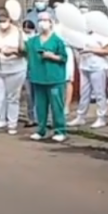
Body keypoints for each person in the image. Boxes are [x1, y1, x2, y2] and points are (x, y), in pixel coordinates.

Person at [24, 12, 69, 142]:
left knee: (56, 106)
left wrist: (52, 56)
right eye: (40, 20)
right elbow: (22, 49)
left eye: (45, 20)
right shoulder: (32, 42)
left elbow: (64, 58)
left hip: (55, 78)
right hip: (38, 78)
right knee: (40, 107)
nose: (42, 23)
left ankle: (60, 130)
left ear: (51, 23)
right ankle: (41, 130)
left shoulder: (57, 41)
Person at [69, 24, 108, 128]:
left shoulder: (102, 35)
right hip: (84, 66)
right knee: (83, 93)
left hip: (98, 66)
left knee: (99, 93)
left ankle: (102, 117)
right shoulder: (81, 35)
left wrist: (91, 50)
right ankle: (81, 116)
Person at [21, 20, 38, 127]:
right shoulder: (21, 39)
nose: (27, 31)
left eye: (29, 29)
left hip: (36, 69)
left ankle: (41, 118)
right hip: (25, 69)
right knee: (29, 95)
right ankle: (31, 117)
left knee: (39, 96)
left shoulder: (36, 39)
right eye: (25, 29)